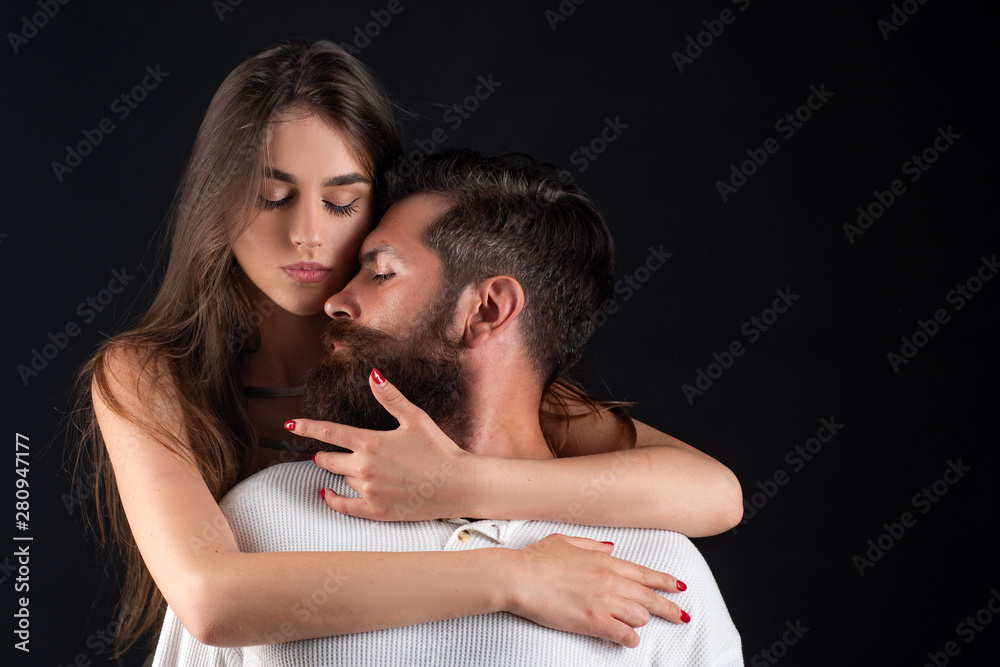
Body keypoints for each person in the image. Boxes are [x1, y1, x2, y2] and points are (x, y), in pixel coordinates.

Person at [72, 40, 742, 658]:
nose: (306, 234)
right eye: (271, 197)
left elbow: (714, 493)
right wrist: (513, 575)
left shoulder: (423, 361)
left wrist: (456, 483)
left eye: (341, 203)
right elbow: (211, 600)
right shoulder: (155, 375)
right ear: (216, 204)